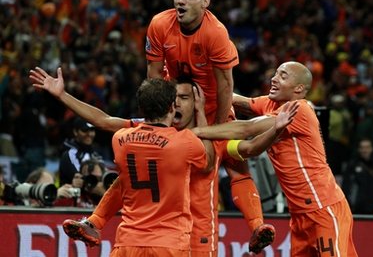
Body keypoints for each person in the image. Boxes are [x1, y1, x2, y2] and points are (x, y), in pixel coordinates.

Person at [28, 67, 293, 255]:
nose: (178, 103)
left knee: (128, 172)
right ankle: (94, 222)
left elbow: (246, 151)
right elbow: (103, 120)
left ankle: (94, 222)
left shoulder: (135, 136)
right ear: (166, 105)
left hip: (197, 235)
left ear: (198, 101)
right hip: (169, 240)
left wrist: (256, 225)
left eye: (185, 98)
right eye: (174, 98)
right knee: (128, 175)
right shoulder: (191, 136)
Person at [145, 0, 274, 252]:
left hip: (213, 106)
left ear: (205, 2)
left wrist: (216, 128)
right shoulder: (159, 24)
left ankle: (257, 224)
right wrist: (158, 117)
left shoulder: (215, 32)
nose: (180, 1)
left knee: (234, 160)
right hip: (177, 105)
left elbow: (226, 84)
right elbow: (154, 76)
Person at [193, 61, 359, 256]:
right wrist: (205, 87)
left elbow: (246, 128)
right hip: (299, 215)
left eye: (283, 76)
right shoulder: (272, 103)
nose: (273, 78)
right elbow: (239, 101)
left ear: (298, 89)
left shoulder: (299, 110)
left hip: (324, 208)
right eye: (276, 74)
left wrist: (196, 131)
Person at [75, 78, 210, 256]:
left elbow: (105, 121)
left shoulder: (120, 139)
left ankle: (94, 221)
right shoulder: (186, 142)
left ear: (141, 108)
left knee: (122, 179)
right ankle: (94, 221)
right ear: (172, 107)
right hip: (169, 244)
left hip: (128, 243)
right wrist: (200, 113)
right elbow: (207, 161)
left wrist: (61, 94)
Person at [59, 116, 104, 185]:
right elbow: (81, 181)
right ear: (75, 132)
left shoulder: (95, 154)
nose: (89, 134)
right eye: (85, 130)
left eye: (92, 130)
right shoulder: (69, 154)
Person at [341, 138, 373, 214]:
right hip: (356, 209)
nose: (364, 150)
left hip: (372, 209)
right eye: (362, 148)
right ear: (359, 150)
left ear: (371, 149)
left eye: (367, 147)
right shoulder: (352, 165)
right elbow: (346, 187)